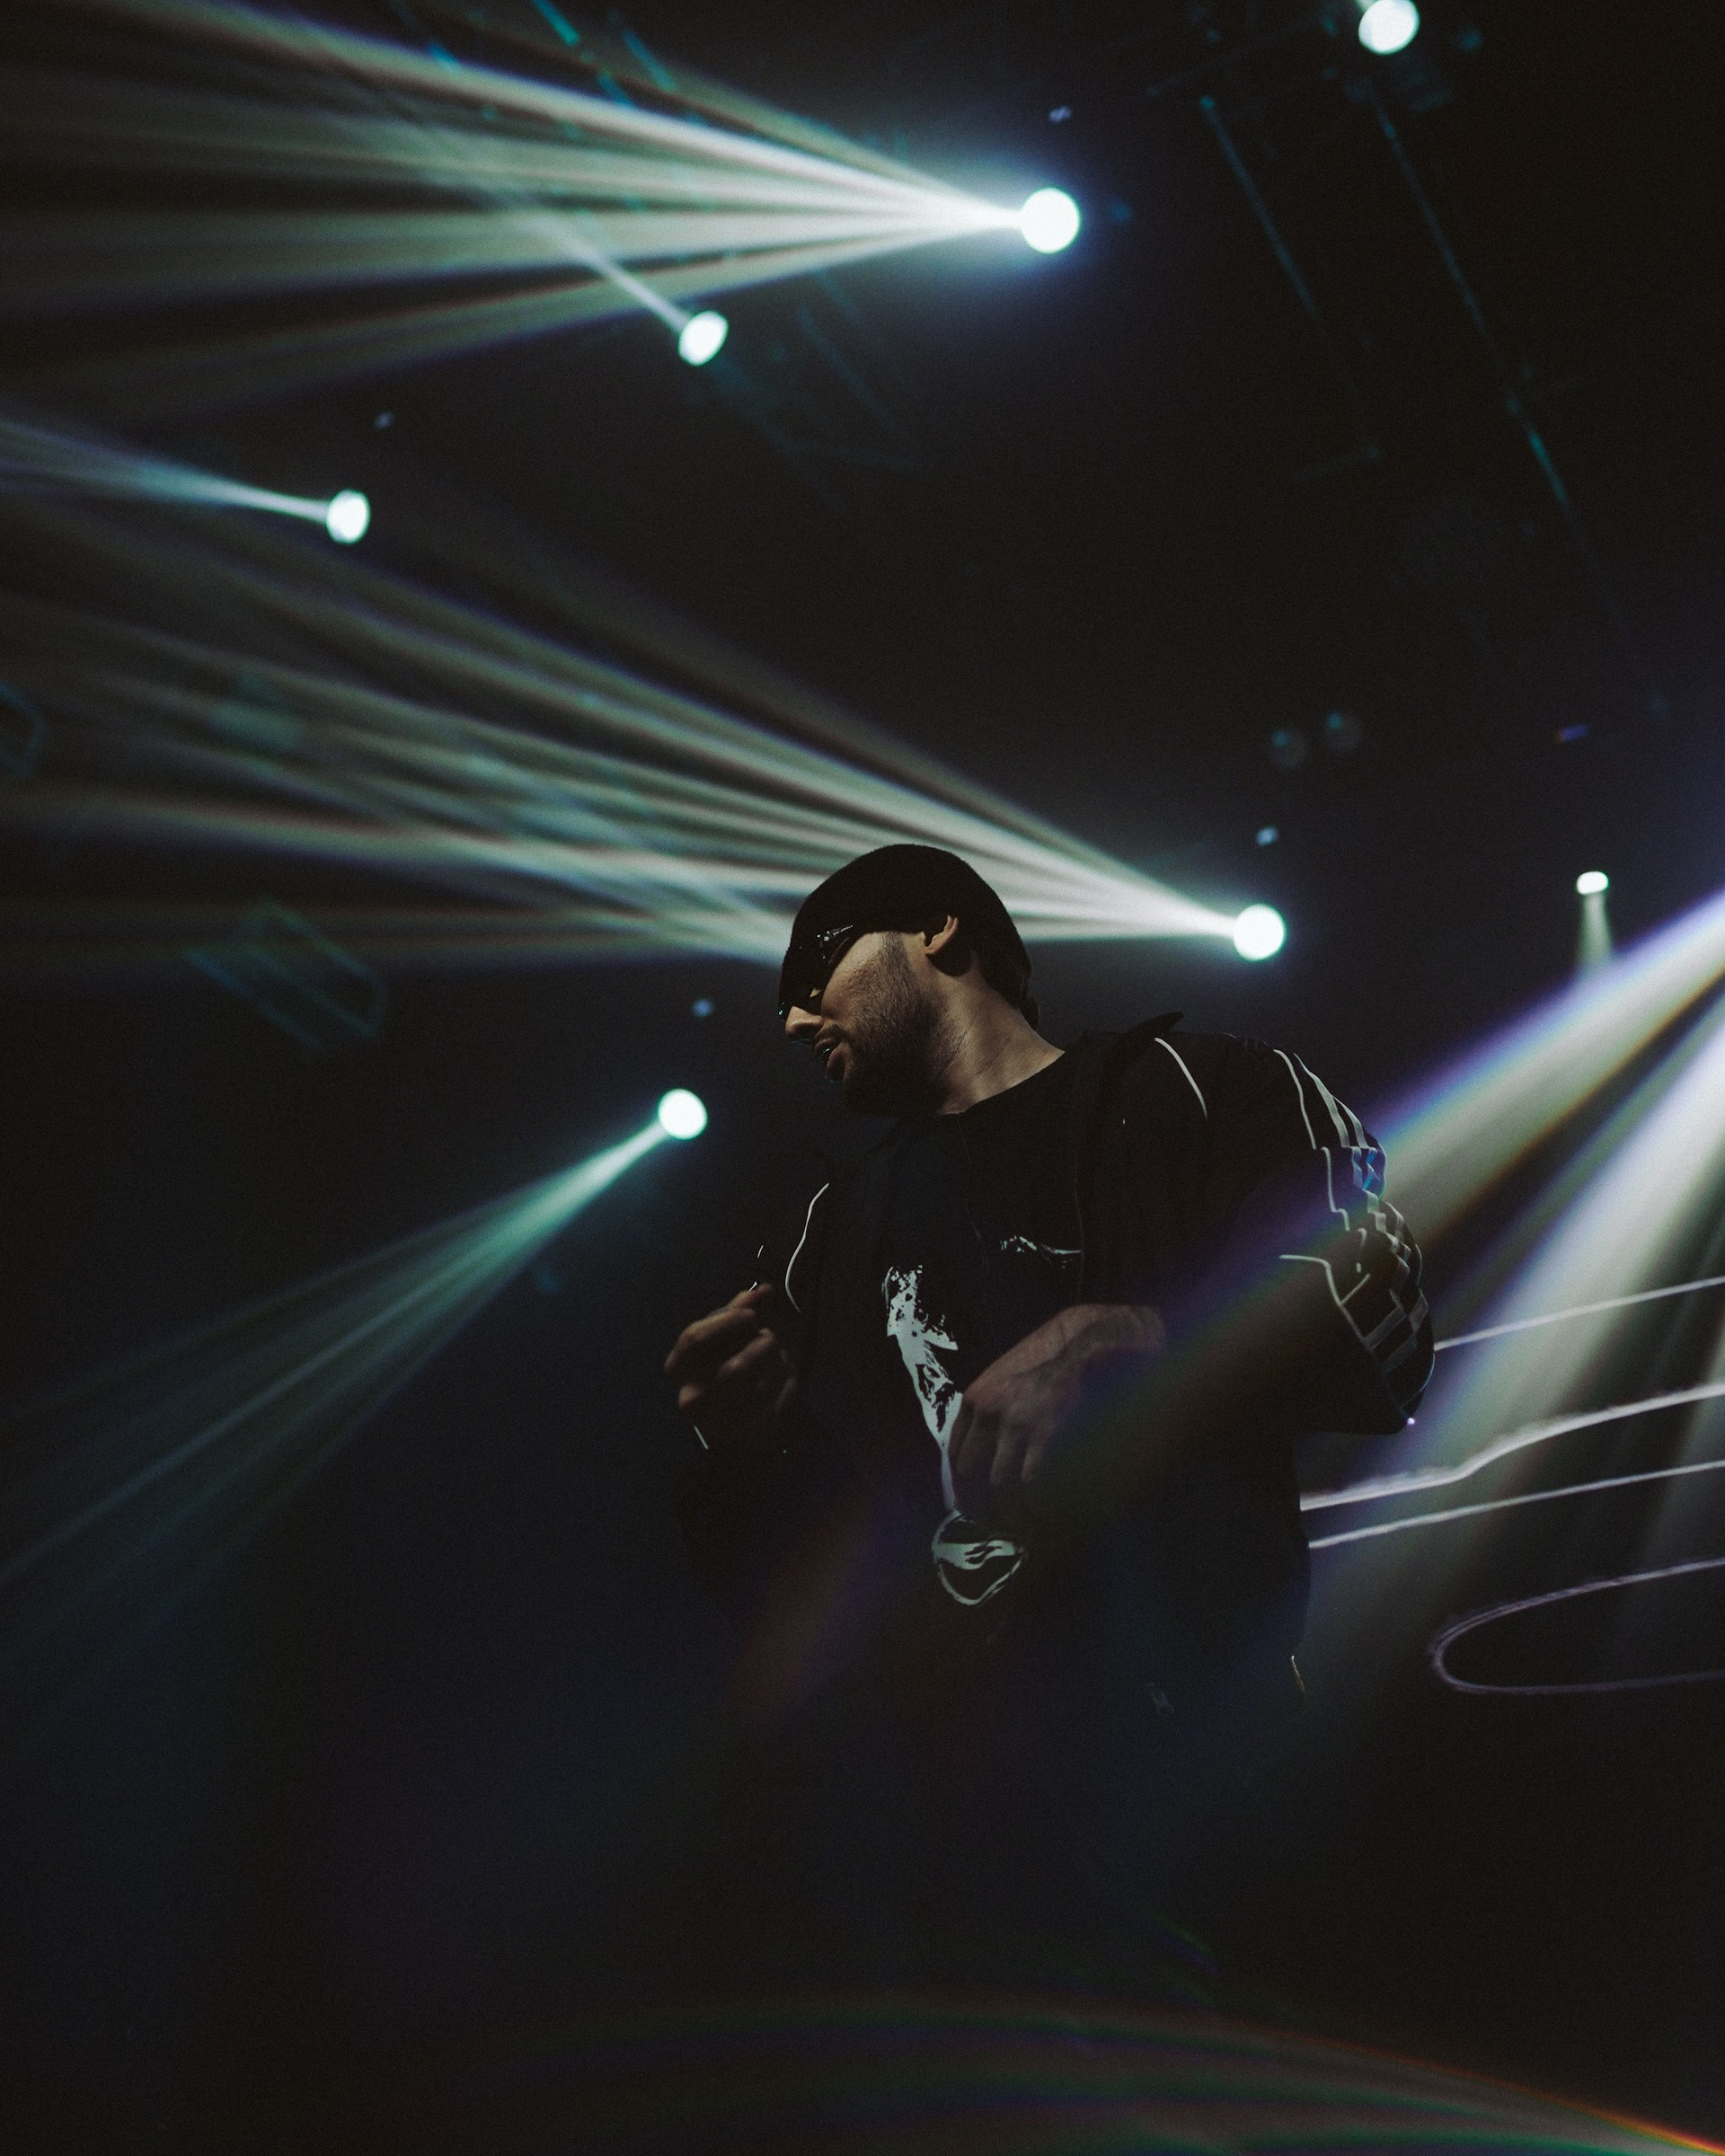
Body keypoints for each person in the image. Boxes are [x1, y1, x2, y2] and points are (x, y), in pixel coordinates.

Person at [665, 843, 1431, 1995]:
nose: (791, 1017)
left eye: (813, 967)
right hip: (957, 1874)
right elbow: (792, 1589)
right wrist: (741, 1445)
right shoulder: (825, 1235)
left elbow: (1385, 1322)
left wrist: (1127, 1334)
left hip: (1224, 1785)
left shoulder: (1200, 1089)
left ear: (939, 931)